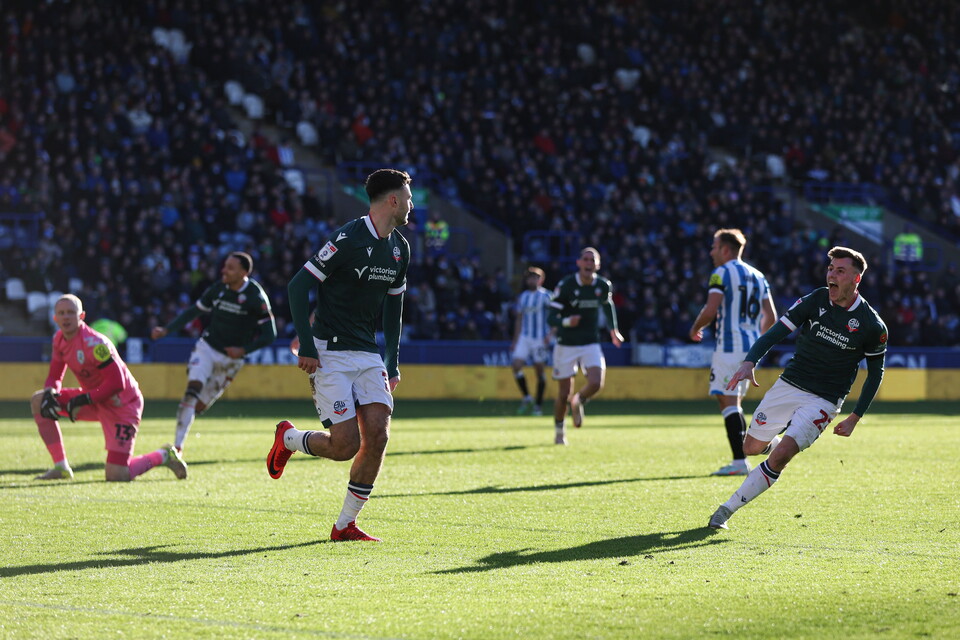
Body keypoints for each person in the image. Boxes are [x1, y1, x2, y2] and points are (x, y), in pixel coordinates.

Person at [267, 168, 412, 542]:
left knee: (377, 436)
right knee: (344, 446)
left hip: (367, 354)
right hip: (329, 351)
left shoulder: (400, 249)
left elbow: (394, 310)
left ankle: (345, 524)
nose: (411, 206)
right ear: (393, 200)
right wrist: (308, 345)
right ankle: (289, 439)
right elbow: (298, 286)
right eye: (408, 198)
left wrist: (392, 361)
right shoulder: (347, 238)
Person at [708, 247, 887, 530]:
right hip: (790, 383)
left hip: (825, 399)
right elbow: (777, 330)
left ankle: (726, 511)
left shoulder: (871, 325)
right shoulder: (816, 299)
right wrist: (749, 361)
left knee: (781, 457)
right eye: (830, 269)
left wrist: (855, 416)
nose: (832, 274)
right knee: (750, 447)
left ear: (856, 279)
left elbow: (876, 374)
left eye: (840, 271)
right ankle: (776, 442)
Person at [30, 295, 186, 481]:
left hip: (123, 404)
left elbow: (116, 383)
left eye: (71, 312)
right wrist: (50, 392)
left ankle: (164, 455)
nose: (66, 317)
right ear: (55, 318)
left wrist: (82, 400)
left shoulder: (95, 344)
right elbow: (54, 376)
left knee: (117, 475)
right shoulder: (59, 339)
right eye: (61, 313)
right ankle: (61, 467)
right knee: (39, 401)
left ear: (82, 316)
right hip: (95, 398)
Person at [151, 251, 276, 454]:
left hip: (231, 361)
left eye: (230, 268)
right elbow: (195, 310)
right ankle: (178, 448)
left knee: (199, 406)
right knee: (192, 392)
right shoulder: (218, 289)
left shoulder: (255, 297)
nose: (224, 270)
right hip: (207, 347)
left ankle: (181, 438)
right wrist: (167, 329)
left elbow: (269, 335)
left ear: (244, 272)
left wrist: (244, 350)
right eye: (225, 265)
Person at [689, 229, 776, 476]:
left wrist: (695, 328)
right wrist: (756, 342)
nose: (711, 252)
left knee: (726, 401)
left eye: (714, 247)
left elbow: (711, 309)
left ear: (726, 249)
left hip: (728, 347)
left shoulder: (721, 273)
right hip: (750, 348)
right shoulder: (758, 276)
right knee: (733, 402)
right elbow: (771, 316)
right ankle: (757, 448)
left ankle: (741, 461)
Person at [547, 247, 624, 445]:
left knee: (597, 382)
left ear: (597, 265)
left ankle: (578, 400)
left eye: (593, 260)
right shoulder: (566, 285)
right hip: (566, 344)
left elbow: (607, 305)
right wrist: (566, 321)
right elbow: (551, 317)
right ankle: (559, 430)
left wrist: (613, 330)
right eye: (585, 259)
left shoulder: (603, 285)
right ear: (578, 263)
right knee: (563, 393)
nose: (589, 263)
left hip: (590, 342)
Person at [510, 266, 553, 416]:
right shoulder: (523, 297)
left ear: (541, 279)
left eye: (535, 277)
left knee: (539, 370)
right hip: (525, 337)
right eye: (530, 277)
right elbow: (519, 319)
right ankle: (527, 397)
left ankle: (538, 405)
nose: (532, 280)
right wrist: (515, 340)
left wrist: (551, 334)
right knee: (516, 365)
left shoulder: (547, 296)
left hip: (540, 338)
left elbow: (556, 316)